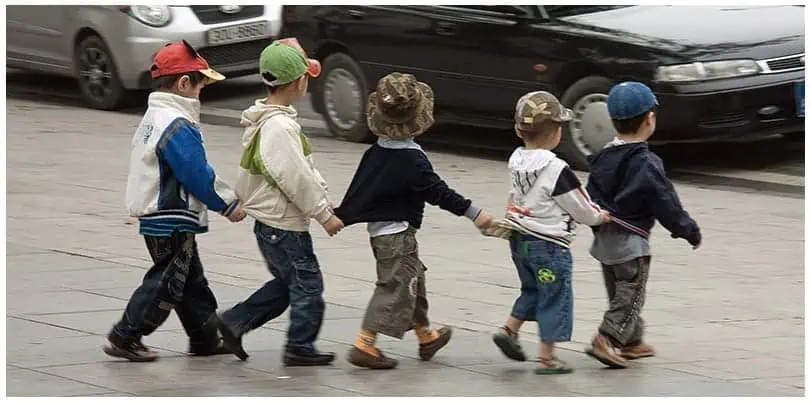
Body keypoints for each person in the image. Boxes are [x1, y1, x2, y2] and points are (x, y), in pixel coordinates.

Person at [333, 72, 495, 370]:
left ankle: (426, 335)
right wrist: (475, 214)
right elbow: (439, 193)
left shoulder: (376, 151)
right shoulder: (412, 160)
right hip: (397, 235)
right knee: (394, 286)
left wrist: (342, 214)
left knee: (414, 280)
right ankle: (364, 343)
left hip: (385, 235)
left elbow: (360, 188)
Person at [104, 41, 246, 362]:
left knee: (189, 277)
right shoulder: (177, 123)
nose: (201, 93)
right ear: (184, 83)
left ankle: (205, 337)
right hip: (170, 213)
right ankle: (126, 335)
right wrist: (228, 203)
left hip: (159, 213)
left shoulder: (156, 117)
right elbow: (195, 173)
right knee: (169, 279)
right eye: (201, 85)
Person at [216, 38, 343, 367]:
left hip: (271, 224)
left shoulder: (269, 121)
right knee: (309, 287)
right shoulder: (280, 127)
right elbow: (295, 176)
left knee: (289, 285)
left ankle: (234, 321)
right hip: (283, 223)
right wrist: (323, 213)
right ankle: (300, 347)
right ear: (299, 82)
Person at [482, 91, 610, 374]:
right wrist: (600, 217)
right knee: (555, 294)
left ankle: (508, 329)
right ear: (556, 133)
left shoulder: (516, 160)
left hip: (519, 240)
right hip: (549, 246)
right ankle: (546, 357)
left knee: (533, 288)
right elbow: (580, 205)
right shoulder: (556, 169)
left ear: (518, 130)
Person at [584, 81, 702, 369]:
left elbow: (590, 194)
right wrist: (687, 229)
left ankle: (632, 341)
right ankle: (607, 338)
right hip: (631, 240)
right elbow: (665, 201)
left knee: (619, 292)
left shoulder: (600, 158)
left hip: (604, 237)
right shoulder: (647, 162)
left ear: (612, 120)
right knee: (632, 294)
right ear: (650, 119)